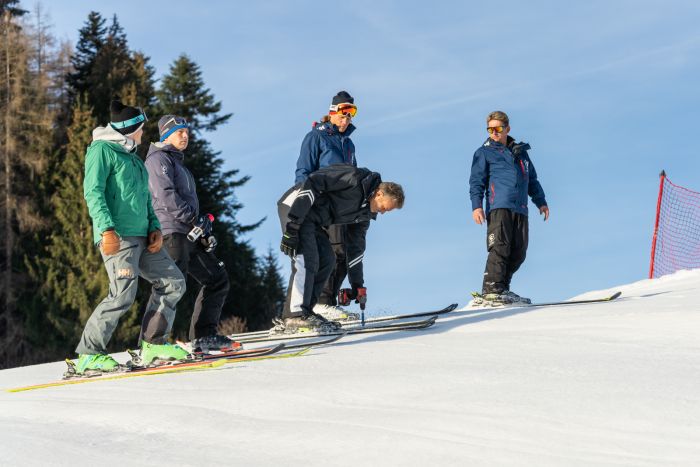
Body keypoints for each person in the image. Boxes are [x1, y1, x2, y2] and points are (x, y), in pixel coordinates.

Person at [74, 99, 189, 375]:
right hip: (118, 236)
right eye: (140, 128)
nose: (142, 133)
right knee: (122, 295)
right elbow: (94, 192)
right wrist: (105, 229)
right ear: (130, 128)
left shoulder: (134, 159)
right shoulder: (102, 151)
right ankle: (89, 355)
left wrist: (154, 228)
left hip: (143, 236)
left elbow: (146, 200)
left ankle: (153, 345)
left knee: (173, 282)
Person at [277, 164, 404, 332]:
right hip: (296, 207)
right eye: (384, 208)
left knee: (327, 260)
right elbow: (314, 181)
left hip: (314, 220)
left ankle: (306, 311)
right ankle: (294, 315)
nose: (382, 213)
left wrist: (357, 284)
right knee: (307, 259)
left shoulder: (364, 215)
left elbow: (356, 248)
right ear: (379, 194)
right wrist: (293, 226)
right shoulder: (355, 178)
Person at [144, 115, 234, 352]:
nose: (185, 136)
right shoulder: (158, 159)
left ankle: (204, 336)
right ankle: (152, 343)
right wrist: (195, 219)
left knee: (217, 278)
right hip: (170, 232)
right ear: (165, 135)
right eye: (179, 132)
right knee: (170, 285)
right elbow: (165, 198)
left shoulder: (178, 164)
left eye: (187, 131)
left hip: (188, 233)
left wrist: (202, 228)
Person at [469, 110, 549, 306]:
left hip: (520, 208)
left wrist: (541, 201)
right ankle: (491, 288)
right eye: (490, 129)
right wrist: (477, 206)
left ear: (507, 128)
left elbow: (532, 180)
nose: (494, 132)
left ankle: (502, 288)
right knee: (500, 247)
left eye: (498, 128)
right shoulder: (484, 152)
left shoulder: (521, 153)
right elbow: (476, 182)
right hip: (499, 206)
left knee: (519, 251)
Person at [293, 91, 360, 321]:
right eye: (344, 112)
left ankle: (326, 302)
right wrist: (302, 203)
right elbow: (303, 171)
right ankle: (321, 302)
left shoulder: (348, 144)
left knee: (342, 252)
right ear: (332, 112)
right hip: (320, 202)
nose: (347, 118)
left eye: (352, 112)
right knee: (329, 252)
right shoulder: (316, 137)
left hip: (341, 207)